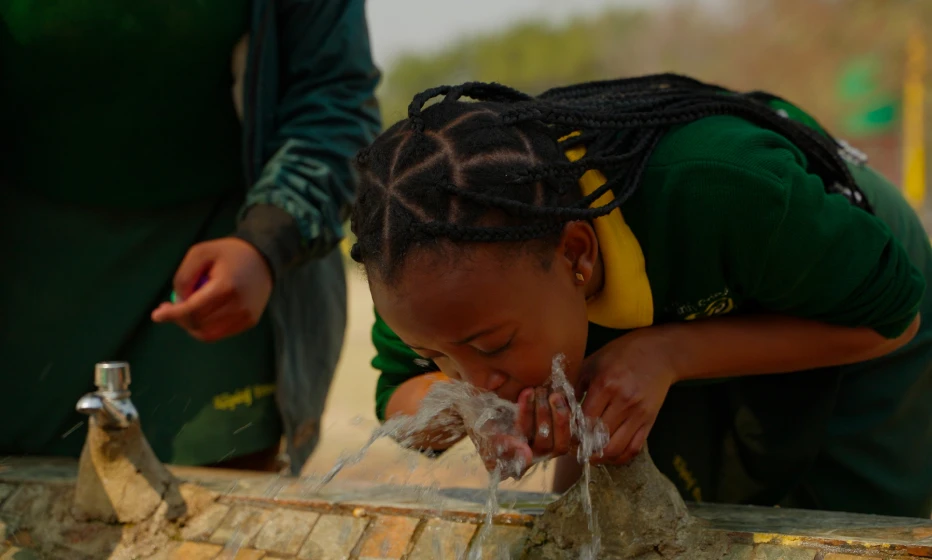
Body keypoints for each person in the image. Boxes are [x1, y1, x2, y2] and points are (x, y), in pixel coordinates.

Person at [349, 75, 932, 517]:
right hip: (674, 308)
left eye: (494, 345)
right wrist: (461, 410)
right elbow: (400, 398)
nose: (474, 379)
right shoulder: (424, 266)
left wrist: (667, 355)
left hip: (840, 285)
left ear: (578, 255)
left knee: (844, 514)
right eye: (440, 356)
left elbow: (893, 318)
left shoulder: (720, 188)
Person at [0, 0, 380, 473]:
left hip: (223, 250)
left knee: (215, 502)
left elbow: (334, 97)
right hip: (24, 263)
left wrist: (267, 241)